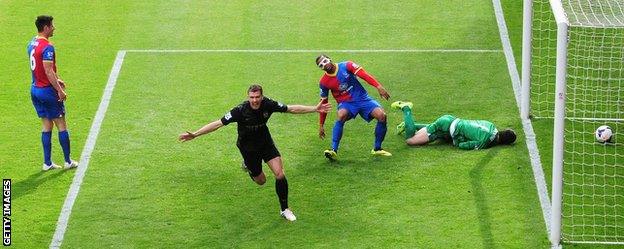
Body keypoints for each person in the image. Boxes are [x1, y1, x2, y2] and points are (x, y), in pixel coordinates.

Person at [179, 84, 330, 221]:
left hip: (266, 143)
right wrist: (195, 134)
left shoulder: (268, 104)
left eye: (257, 97)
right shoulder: (239, 110)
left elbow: (291, 109)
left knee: (280, 174)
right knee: (261, 181)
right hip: (248, 149)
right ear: (248, 97)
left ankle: (285, 209)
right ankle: (248, 166)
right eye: (252, 97)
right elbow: (218, 124)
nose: (255, 100)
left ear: (262, 96)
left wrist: (314, 109)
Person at [315, 54, 392, 161]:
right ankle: (333, 150)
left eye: (324, 61)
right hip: (346, 103)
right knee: (341, 115)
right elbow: (323, 103)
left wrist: (378, 86)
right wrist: (321, 124)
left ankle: (377, 149)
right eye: (321, 65)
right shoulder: (324, 82)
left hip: (362, 99)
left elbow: (364, 75)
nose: (324, 64)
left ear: (329, 59)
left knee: (382, 116)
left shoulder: (347, 65)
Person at [28, 15, 78, 171]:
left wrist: (58, 79)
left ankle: (47, 162)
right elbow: (48, 71)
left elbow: (41, 70)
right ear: (46, 27)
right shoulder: (47, 47)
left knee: (46, 125)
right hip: (47, 92)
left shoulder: (32, 43)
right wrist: (60, 90)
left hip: (35, 89)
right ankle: (68, 161)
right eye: (52, 25)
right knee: (61, 124)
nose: (54, 28)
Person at [391, 101, 517, 150]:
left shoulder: (491, 125)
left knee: (432, 132)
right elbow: (462, 145)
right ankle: (406, 108)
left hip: (451, 122)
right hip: (446, 127)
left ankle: (408, 125)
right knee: (411, 140)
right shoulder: (485, 141)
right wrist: (457, 142)